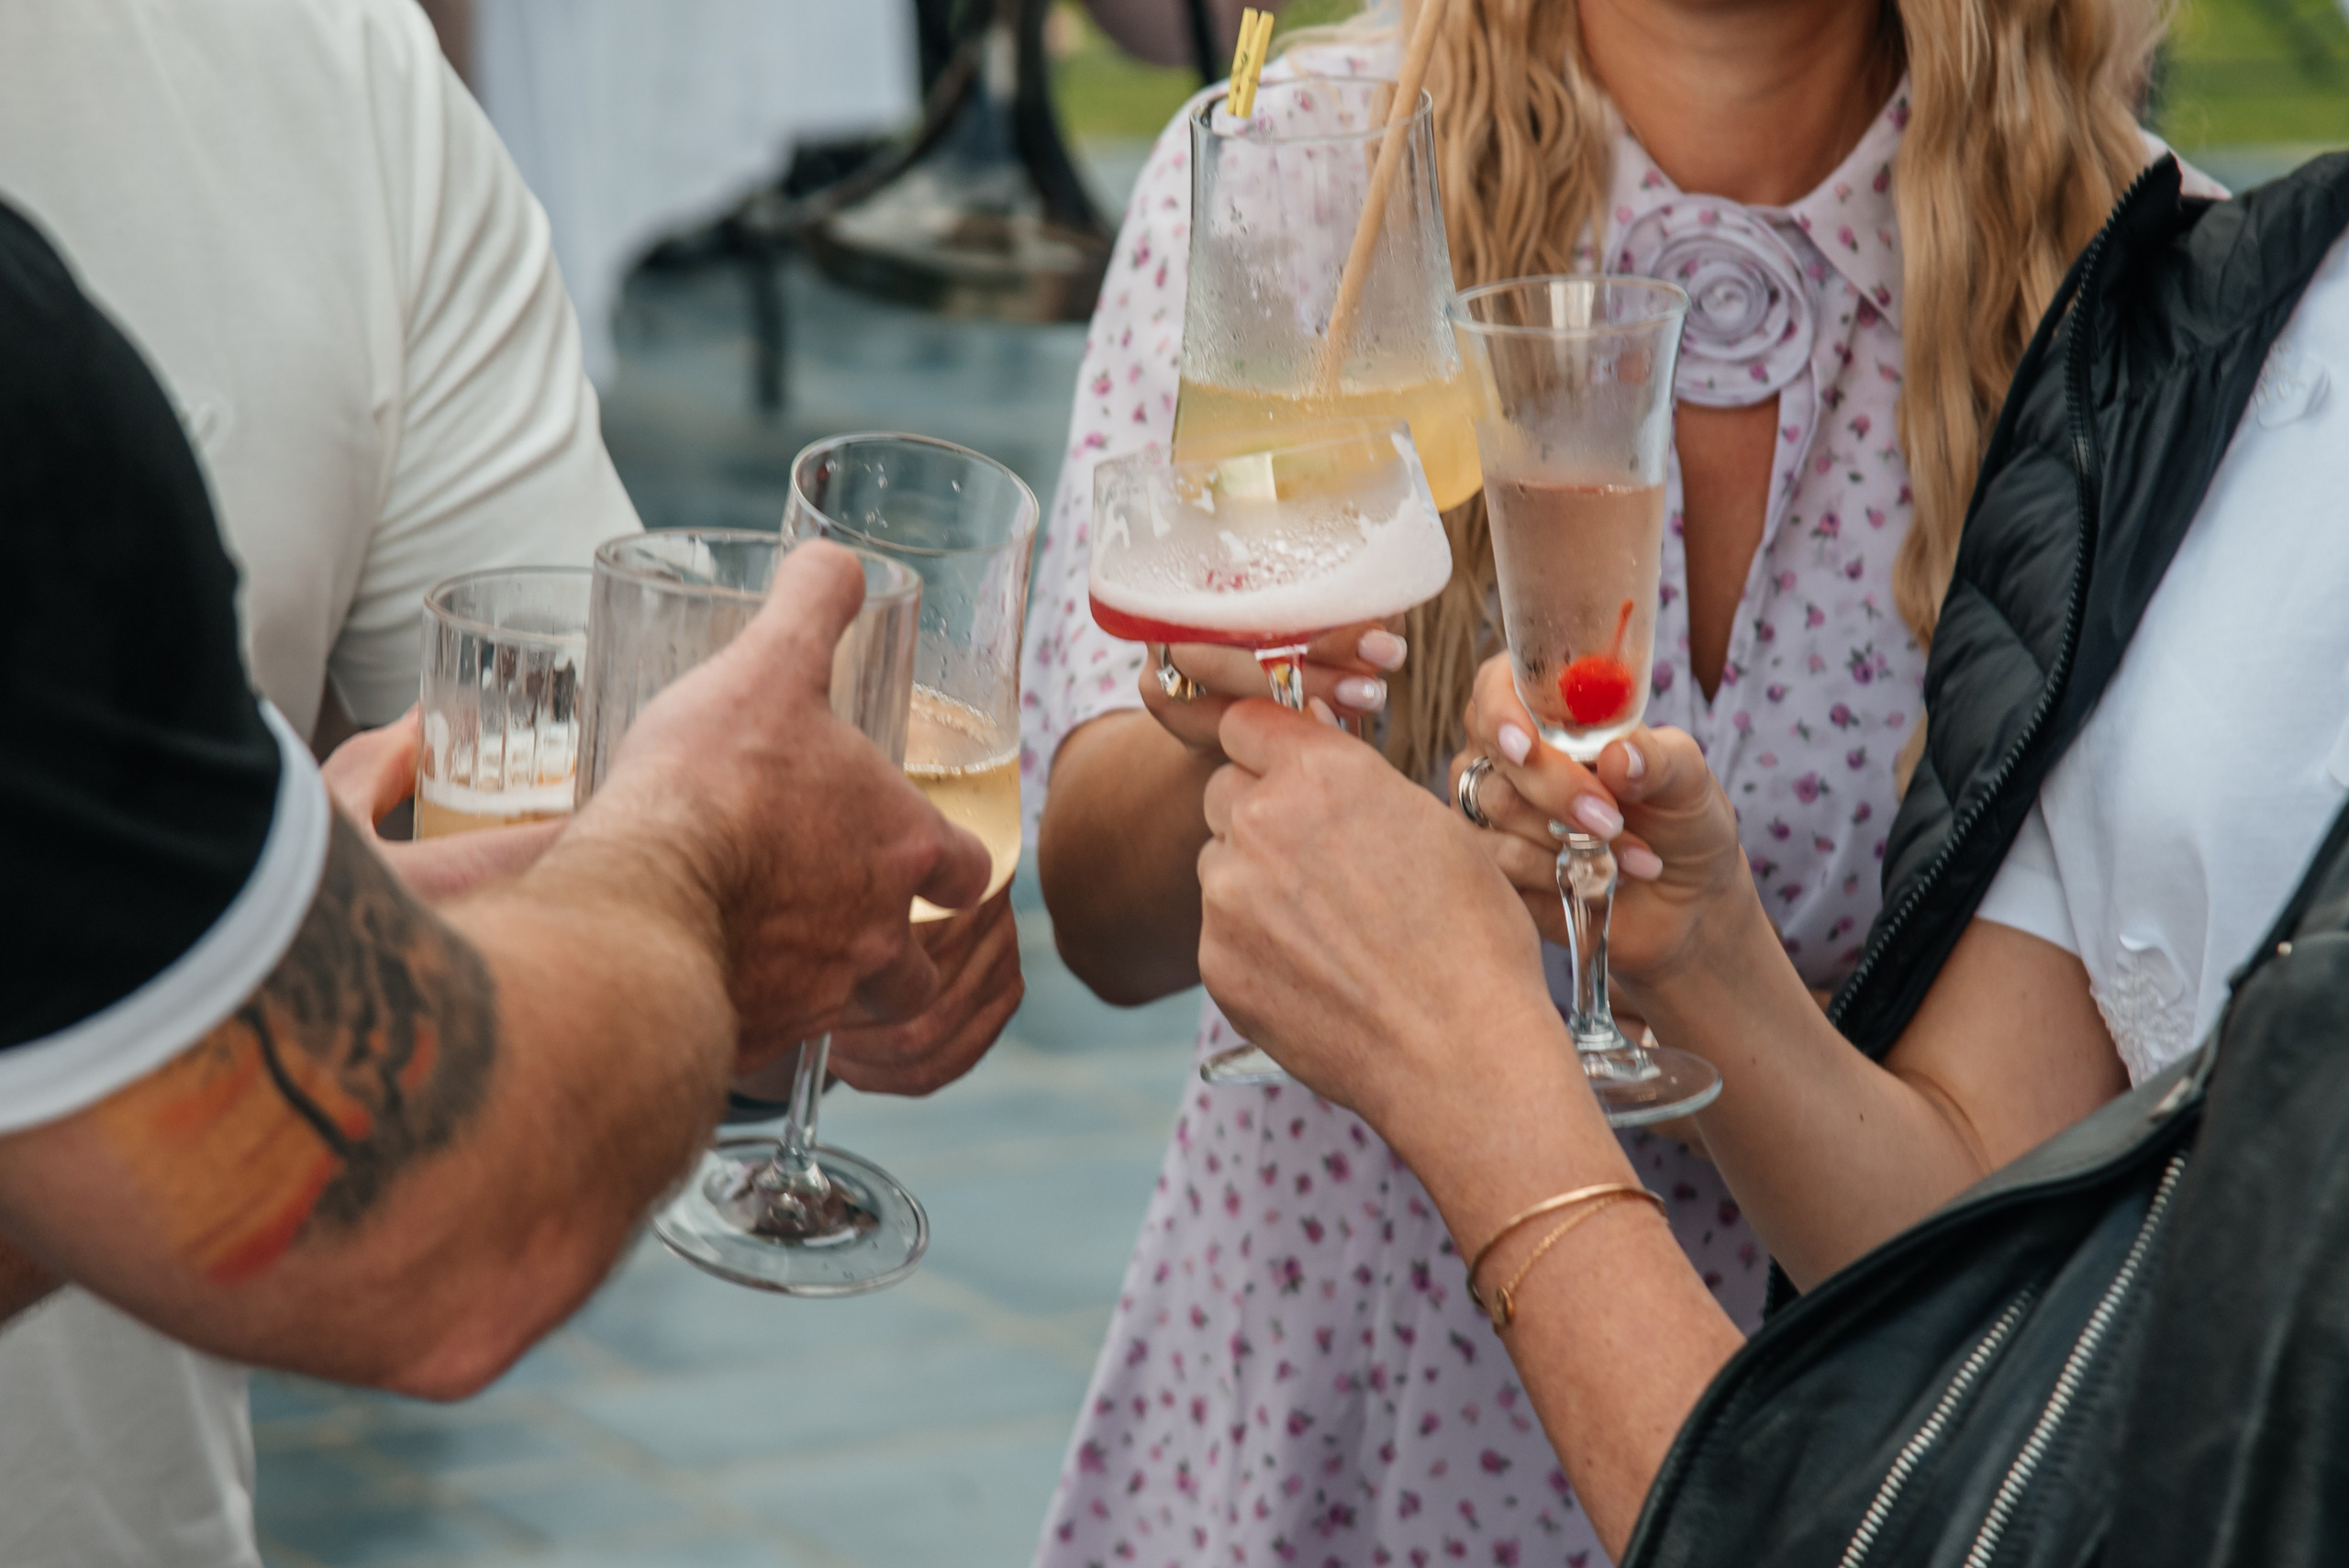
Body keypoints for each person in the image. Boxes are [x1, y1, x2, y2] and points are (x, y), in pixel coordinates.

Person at [1019, 0, 2210, 1559]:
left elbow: (1989, 1233)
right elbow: (1103, 924)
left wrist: (1690, 958)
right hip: (1310, 1435)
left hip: (1765, 1472)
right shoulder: (1301, 159)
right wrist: (1235, 710)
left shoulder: (2143, 292)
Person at [1190, 153, 2349, 1557]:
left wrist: (1468, 1059)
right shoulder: (2213, 314)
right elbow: (1970, 1249)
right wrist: (1704, 953)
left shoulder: (2097, 261)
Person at [0, 3, 1019, 1561]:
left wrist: (269, 948)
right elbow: (447, 1242)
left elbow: (574, 767)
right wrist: (702, 867)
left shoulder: (329, 69)